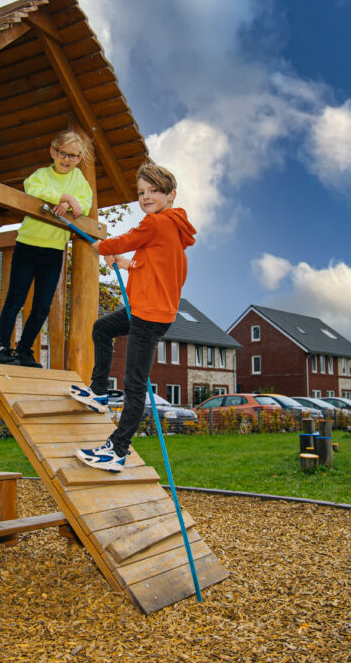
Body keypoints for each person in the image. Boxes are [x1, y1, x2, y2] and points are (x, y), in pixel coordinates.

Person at [70, 163, 196, 472]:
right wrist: (127, 264)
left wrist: (104, 247)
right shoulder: (173, 229)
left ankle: (117, 449)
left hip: (148, 315)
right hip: (146, 310)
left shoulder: (156, 223)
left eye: (154, 191)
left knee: (135, 384)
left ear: (170, 195)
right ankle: (99, 391)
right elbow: (155, 264)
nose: (146, 197)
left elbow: (123, 240)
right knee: (102, 328)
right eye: (141, 192)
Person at [0, 131, 94, 367]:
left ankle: (24, 350)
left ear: (79, 158)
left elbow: (84, 208)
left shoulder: (79, 180)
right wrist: (64, 196)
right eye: (63, 154)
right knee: (14, 300)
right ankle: (2, 348)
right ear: (53, 152)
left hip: (54, 250)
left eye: (73, 156)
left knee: (41, 306)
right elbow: (31, 188)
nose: (67, 160)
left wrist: (70, 203)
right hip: (28, 244)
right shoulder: (42, 175)